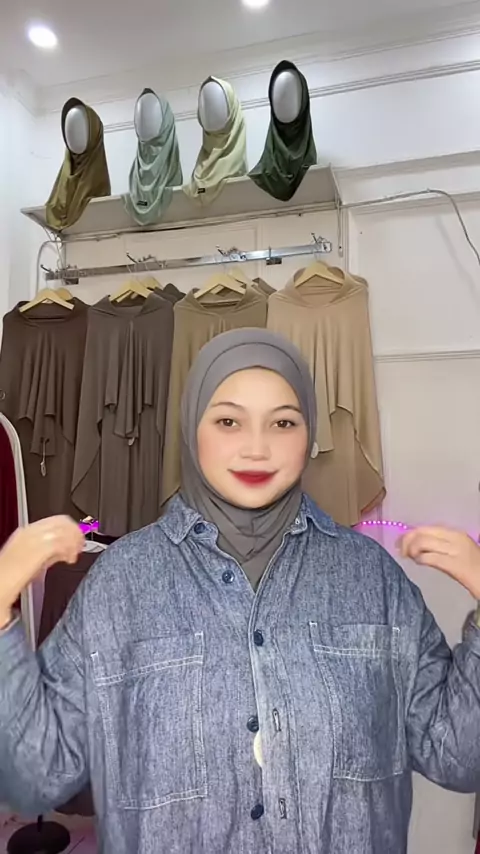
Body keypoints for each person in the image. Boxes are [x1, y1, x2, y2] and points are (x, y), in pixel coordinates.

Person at [1, 328, 480, 854]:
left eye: (283, 422)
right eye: (229, 421)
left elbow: (457, 757)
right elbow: (36, 779)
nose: (257, 447)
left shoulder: (373, 579)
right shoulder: (121, 583)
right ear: (192, 430)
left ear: (309, 435)